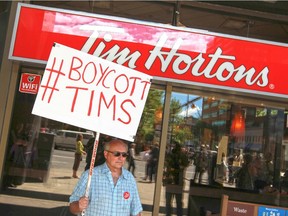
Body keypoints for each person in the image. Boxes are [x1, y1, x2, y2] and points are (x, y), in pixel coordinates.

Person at [69, 139, 143, 215]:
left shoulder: (129, 178)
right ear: (106, 154)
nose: (121, 158)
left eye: (124, 155)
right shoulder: (90, 176)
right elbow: (72, 207)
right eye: (116, 154)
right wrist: (79, 206)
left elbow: (136, 210)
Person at [163, 142, 190, 216]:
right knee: (178, 202)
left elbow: (166, 165)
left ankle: (168, 214)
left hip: (171, 180)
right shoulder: (182, 156)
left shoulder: (170, 155)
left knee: (169, 201)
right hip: (178, 181)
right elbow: (186, 164)